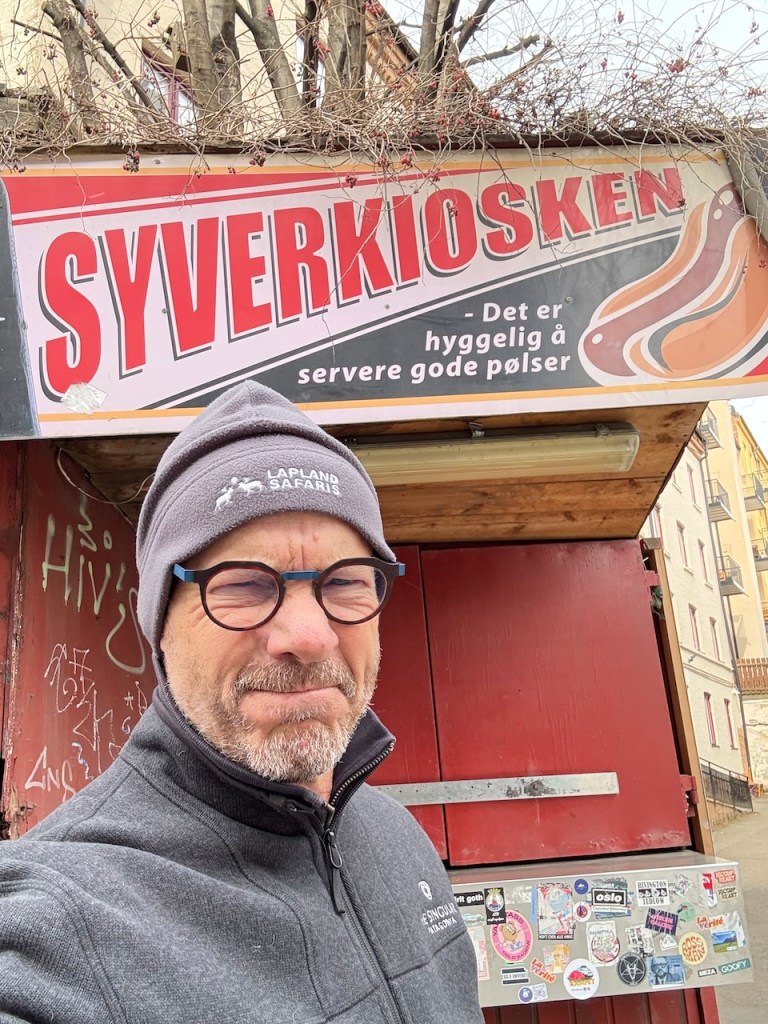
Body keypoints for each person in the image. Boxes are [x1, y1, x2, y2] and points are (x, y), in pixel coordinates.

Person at [0, 382, 483, 1023]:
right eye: (247, 585)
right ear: (160, 627)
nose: (310, 637)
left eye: (344, 581)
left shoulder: (397, 837)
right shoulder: (63, 926)